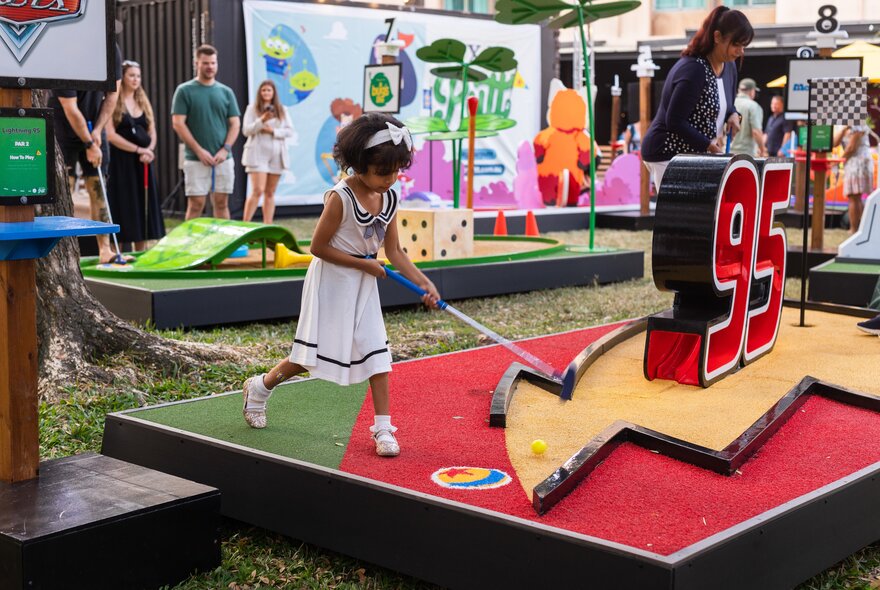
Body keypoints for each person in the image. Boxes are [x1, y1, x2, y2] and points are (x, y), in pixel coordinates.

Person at [239, 113, 441, 457]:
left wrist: (424, 284)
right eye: (382, 172)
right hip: (331, 281)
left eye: (396, 171)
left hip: (363, 285)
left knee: (378, 353)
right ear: (360, 164)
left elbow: (394, 250)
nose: (389, 179)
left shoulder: (389, 198)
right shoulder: (341, 197)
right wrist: (362, 262)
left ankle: (382, 428)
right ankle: (260, 387)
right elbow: (318, 248)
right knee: (311, 356)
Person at [640, 6, 752, 189]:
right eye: (736, 45)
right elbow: (674, 121)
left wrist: (733, 114)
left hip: (697, 155)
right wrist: (709, 145)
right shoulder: (694, 69)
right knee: (680, 215)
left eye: (744, 46)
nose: (741, 52)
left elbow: (727, 105)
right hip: (668, 154)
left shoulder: (729, 67)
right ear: (717, 37)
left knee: (698, 214)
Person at [49, 45, 122, 263]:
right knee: (64, 189)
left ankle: (105, 250)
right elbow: (70, 109)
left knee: (98, 187)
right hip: (64, 127)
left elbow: (112, 94)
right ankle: (61, 252)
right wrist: (89, 142)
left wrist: (98, 131)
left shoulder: (111, 49)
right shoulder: (66, 55)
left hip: (94, 125)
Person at [171, 44, 241, 220]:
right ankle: (190, 247)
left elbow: (235, 124)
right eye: (205, 63)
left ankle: (223, 245)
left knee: (221, 203)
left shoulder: (226, 92)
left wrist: (225, 149)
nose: (210, 66)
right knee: (196, 205)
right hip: (195, 159)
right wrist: (199, 151)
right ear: (197, 63)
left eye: (213, 63)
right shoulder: (184, 90)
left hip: (223, 158)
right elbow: (178, 124)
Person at [105, 60, 165, 251]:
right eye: (131, 75)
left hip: (143, 163)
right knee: (124, 204)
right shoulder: (113, 100)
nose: (135, 79)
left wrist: (149, 150)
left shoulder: (143, 101)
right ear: (122, 77)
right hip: (122, 163)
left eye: (138, 76)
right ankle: (119, 251)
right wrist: (138, 150)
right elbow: (111, 135)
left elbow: (152, 130)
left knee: (143, 205)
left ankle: (142, 250)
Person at [241, 80, 295, 224]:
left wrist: (273, 131)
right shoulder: (252, 109)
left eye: (268, 90)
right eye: (263, 90)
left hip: (276, 155)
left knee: (270, 193)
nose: (266, 93)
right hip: (257, 154)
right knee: (257, 190)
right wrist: (261, 121)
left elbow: (290, 131)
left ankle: (268, 225)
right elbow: (246, 130)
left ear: (273, 93)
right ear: (260, 92)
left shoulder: (281, 109)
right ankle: (245, 225)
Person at [834, 123, 875, 234]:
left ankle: (855, 229)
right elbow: (834, 143)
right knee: (855, 197)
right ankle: (861, 229)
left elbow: (852, 147)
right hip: (851, 162)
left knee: (854, 196)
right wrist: (843, 130)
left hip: (859, 162)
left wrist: (838, 161)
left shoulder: (858, 123)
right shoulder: (842, 124)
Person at [730, 78, 766, 156]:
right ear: (752, 91)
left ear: (739, 90)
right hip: (746, 154)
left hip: (727, 151)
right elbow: (756, 132)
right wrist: (763, 150)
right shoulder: (753, 106)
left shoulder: (729, 103)